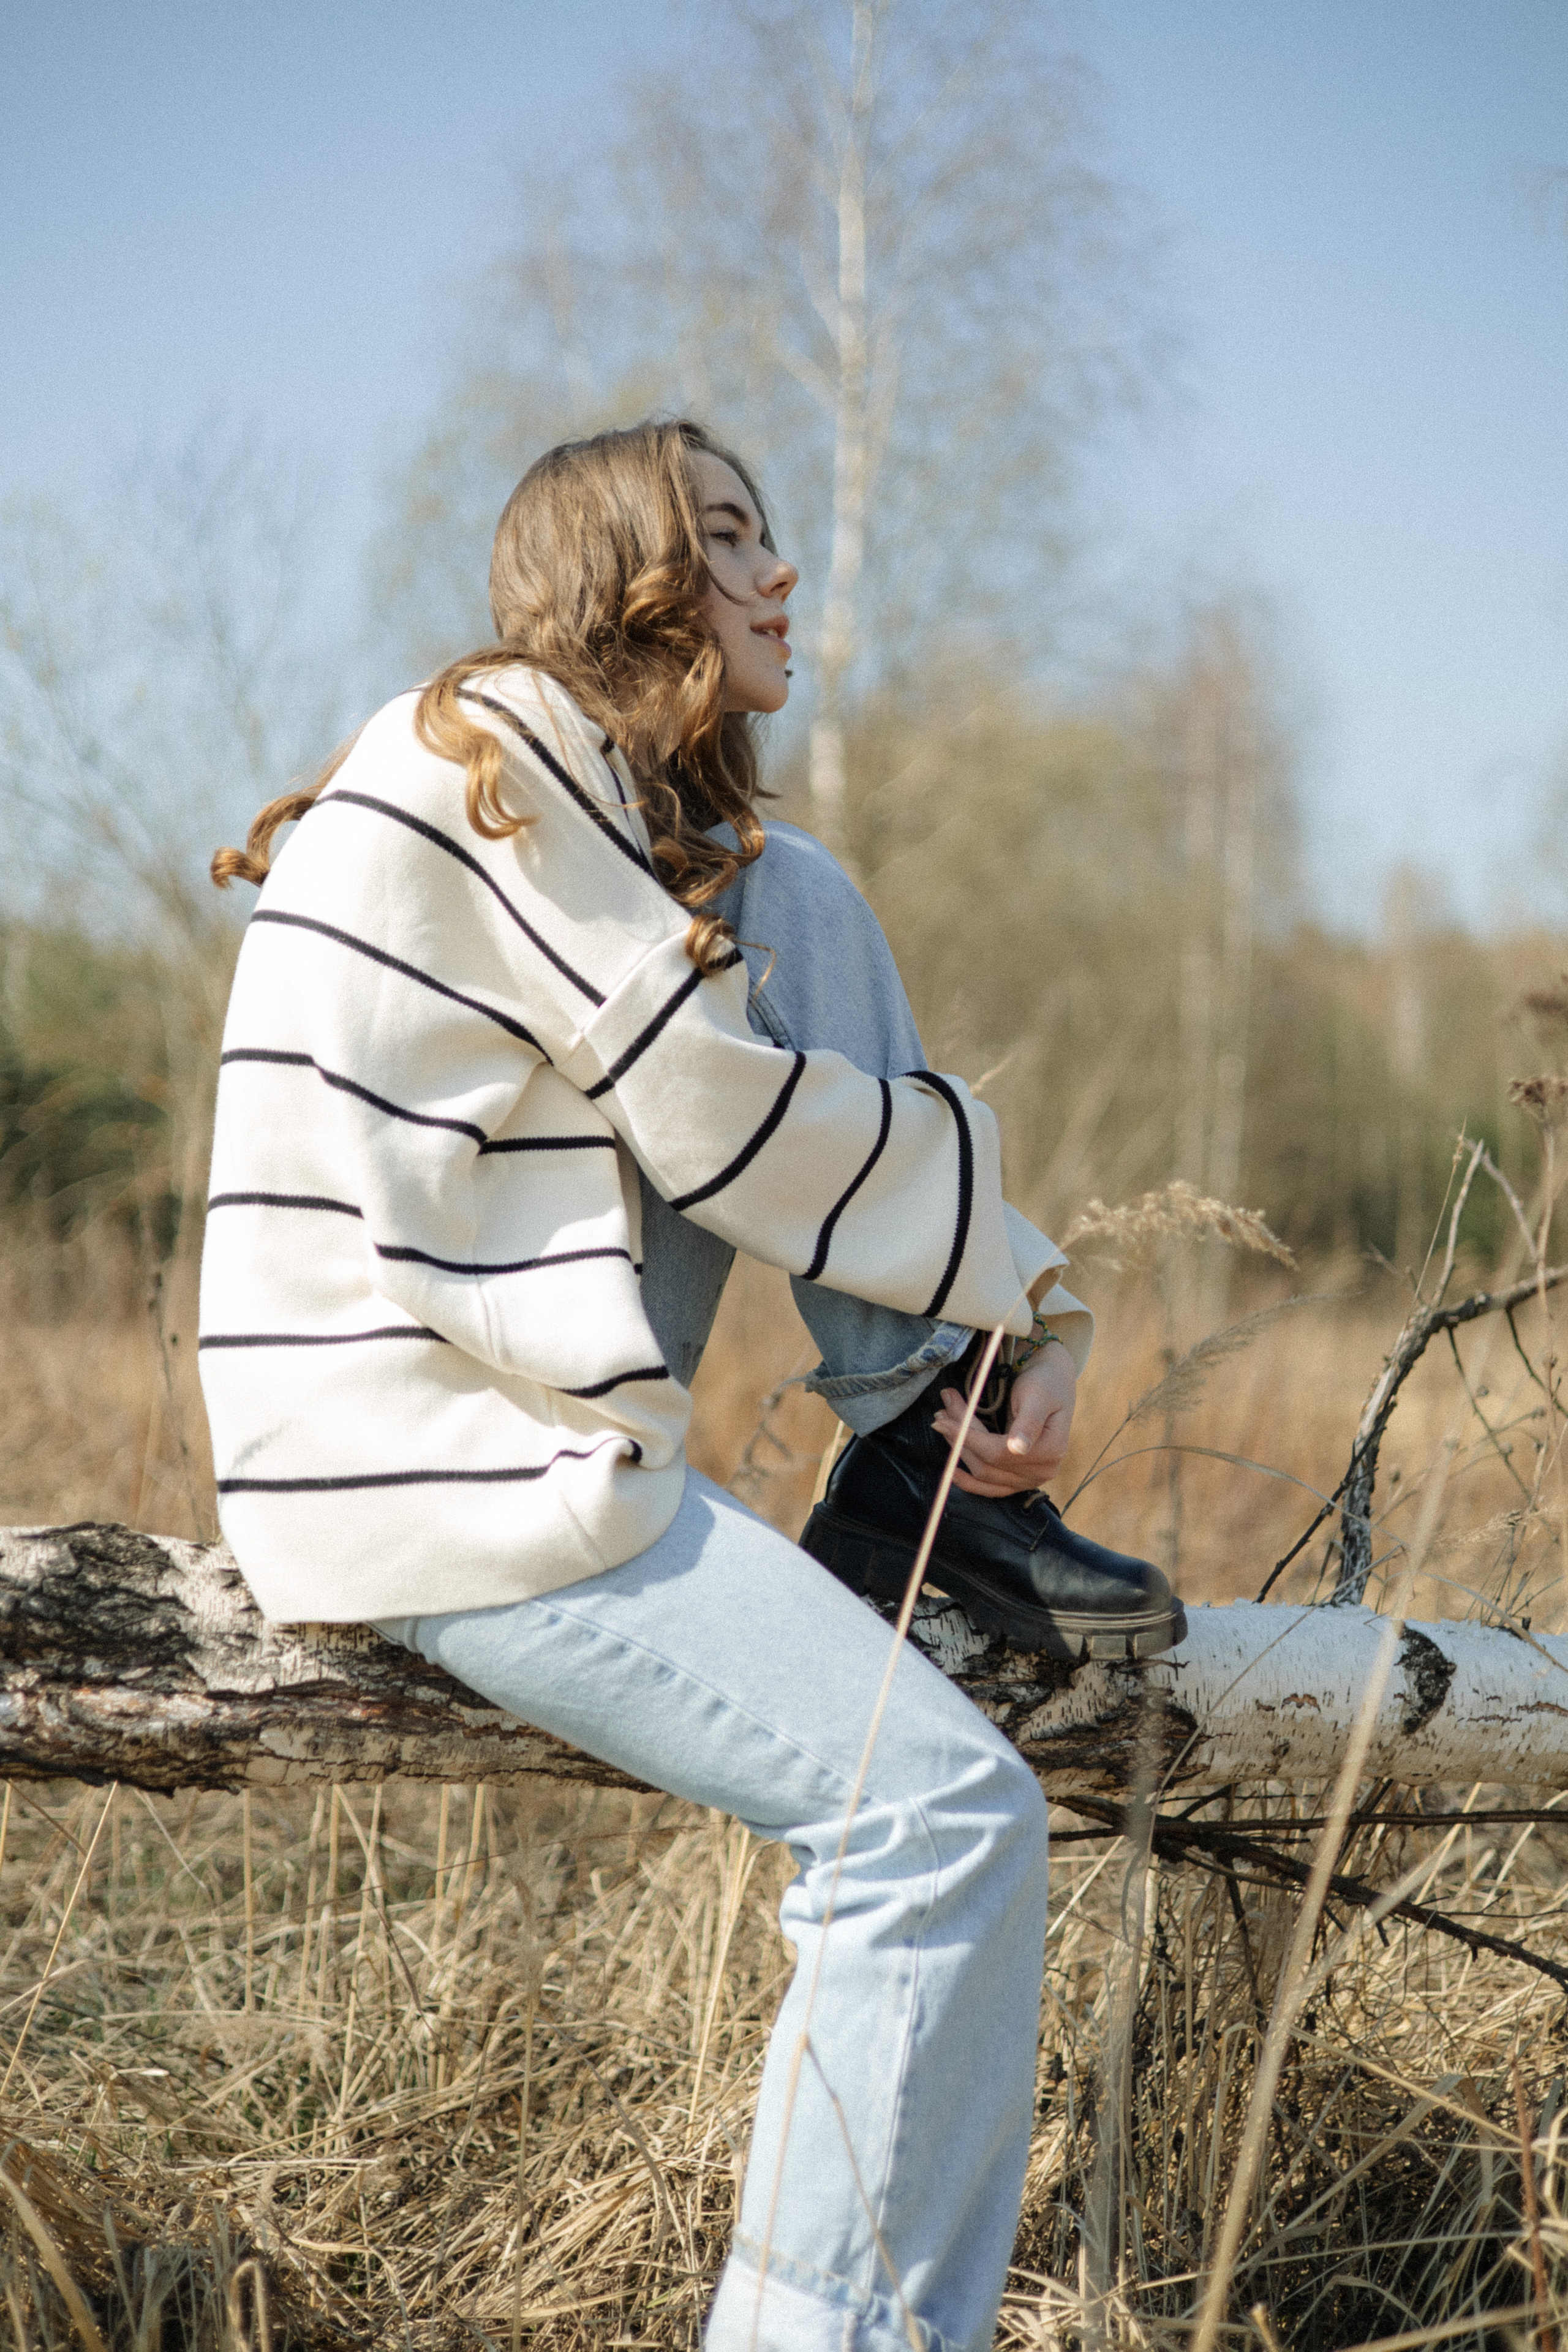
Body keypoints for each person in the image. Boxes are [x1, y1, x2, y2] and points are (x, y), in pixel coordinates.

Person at [202, 418, 1182, 2352]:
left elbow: (711, 1076)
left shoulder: (562, 795)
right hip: (435, 1464)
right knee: (934, 1823)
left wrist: (987, 1319)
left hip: (481, 1425)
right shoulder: (491, 747)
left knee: (779, 882)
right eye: (727, 536)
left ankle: (919, 1441)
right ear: (623, 578)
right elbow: (716, 1120)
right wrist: (1033, 1292)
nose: (780, 573)